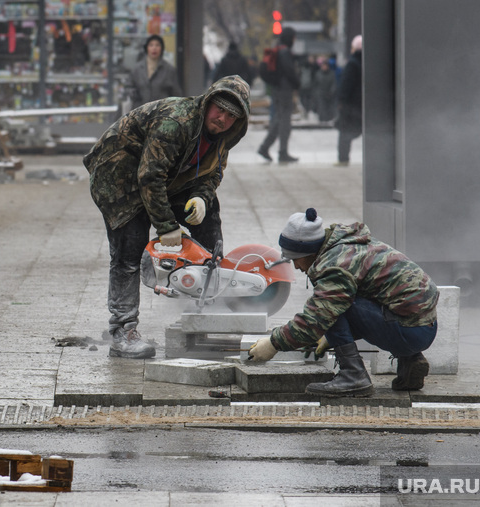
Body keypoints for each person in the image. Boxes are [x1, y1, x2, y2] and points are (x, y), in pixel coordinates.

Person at [84, 75, 250, 359]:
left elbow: (212, 174)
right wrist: (166, 226)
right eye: (219, 109)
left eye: (231, 115)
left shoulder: (223, 138)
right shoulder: (177, 122)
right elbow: (149, 176)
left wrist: (200, 198)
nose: (222, 118)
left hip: (164, 177)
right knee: (129, 249)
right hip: (119, 176)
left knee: (208, 219)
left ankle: (207, 308)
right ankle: (122, 332)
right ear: (208, 102)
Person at [248, 208, 438, 397]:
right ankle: (411, 362)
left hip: (410, 331)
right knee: (355, 298)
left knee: (331, 309)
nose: (296, 266)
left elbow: (316, 319)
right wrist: (330, 338)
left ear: (309, 252)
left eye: (295, 259)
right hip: (425, 324)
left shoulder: (336, 265)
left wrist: (274, 343)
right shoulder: (347, 244)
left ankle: (353, 376)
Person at [257, 27, 300, 164]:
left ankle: (265, 147)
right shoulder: (285, 52)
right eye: (293, 37)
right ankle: (282, 152)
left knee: (279, 119)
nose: (294, 40)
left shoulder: (277, 49)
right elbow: (289, 71)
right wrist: (297, 83)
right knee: (284, 121)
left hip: (277, 89)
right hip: (284, 90)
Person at [128, 34, 183, 108]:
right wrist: (133, 94)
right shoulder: (137, 69)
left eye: (157, 45)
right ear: (146, 48)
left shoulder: (169, 69)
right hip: (140, 113)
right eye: (151, 45)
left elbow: (177, 94)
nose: (154, 48)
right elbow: (129, 87)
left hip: (161, 113)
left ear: (162, 48)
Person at [335, 35, 363, 165]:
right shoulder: (367, 62)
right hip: (362, 103)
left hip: (350, 104)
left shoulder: (352, 63)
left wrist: (341, 100)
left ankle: (343, 159)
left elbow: (346, 84)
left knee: (345, 132)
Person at [312, 56, 336, 123]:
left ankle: (328, 119)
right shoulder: (318, 74)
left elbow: (333, 84)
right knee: (321, 107)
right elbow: (315, 85)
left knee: (328, 107)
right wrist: (316, 93)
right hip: (320, 93)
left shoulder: (331, 74)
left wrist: (331, 92)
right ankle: (322, 119)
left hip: (329, 93)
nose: (324, 67)